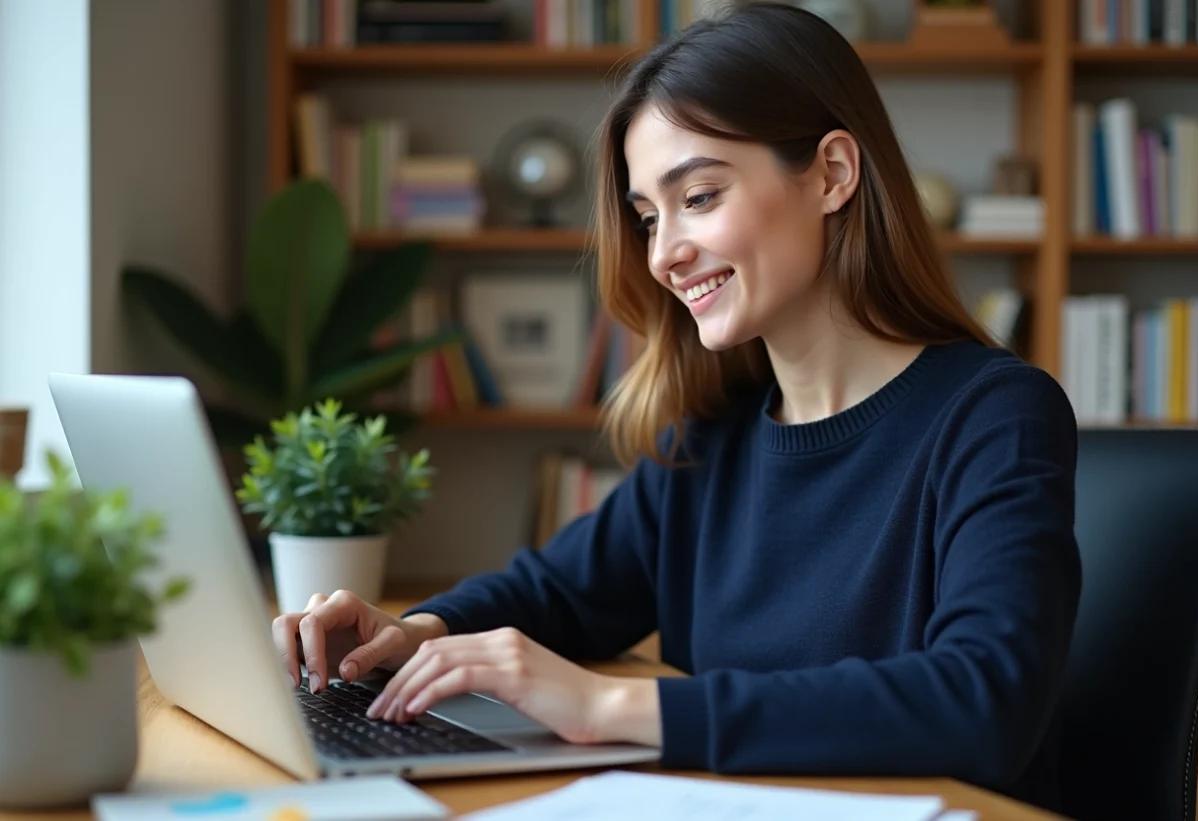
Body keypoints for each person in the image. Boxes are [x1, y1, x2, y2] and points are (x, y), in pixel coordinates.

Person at [272, 2, 1081, 812]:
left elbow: (984, 699)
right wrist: (413, 633)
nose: (663, 254)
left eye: (697, 196)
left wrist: (606, 707)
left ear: (833, 173)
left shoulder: (993, 414)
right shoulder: (714, 436)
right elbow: (557, 592)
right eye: (647, 217)